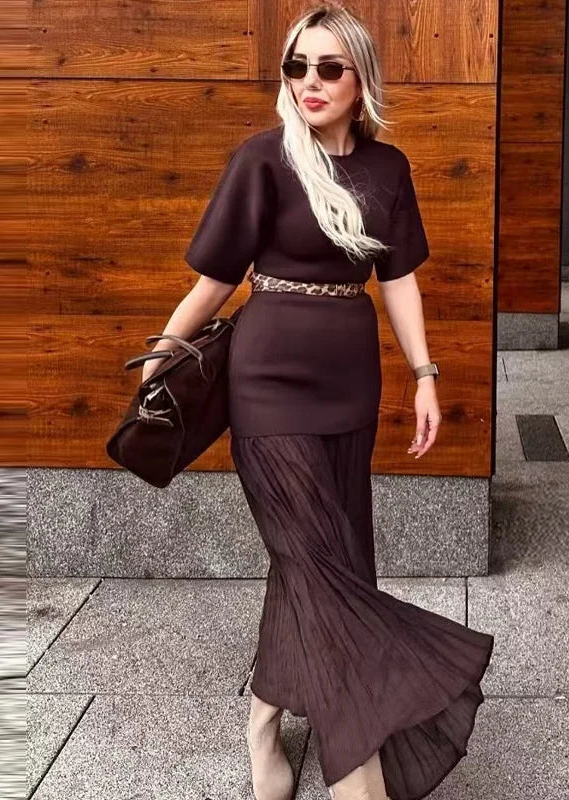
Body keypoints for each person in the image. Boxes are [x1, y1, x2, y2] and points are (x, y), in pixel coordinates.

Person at [143, 5, 494, 799]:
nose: (309, 82)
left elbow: (398, 278)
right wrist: (163, 355)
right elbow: (216, 281)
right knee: (312, 559)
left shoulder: (387, 169)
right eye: (297, 66)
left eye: (328, 68)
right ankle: (356, 771)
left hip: (351, 385)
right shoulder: (263, 161)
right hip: (265, 385)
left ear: (361, 77)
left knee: (321, 563)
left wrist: (425, 372)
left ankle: (264, 718)